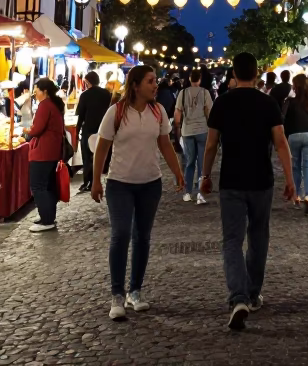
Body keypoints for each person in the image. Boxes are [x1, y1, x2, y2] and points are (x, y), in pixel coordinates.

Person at [201, 52, 296, 331]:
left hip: (231, 179)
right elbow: (280, 142)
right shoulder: (267, 103)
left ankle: (238, 297)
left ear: (233, 73)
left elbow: (210, 144)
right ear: (256, 73)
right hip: (261, 179)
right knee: (258, 236)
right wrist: (289, 179)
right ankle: (253, 294)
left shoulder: (222, 102)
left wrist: (205, 176)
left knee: (231, 240)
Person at [93, 65, 184, 321]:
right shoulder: (117, 112)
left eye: (155, 81)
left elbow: (165, 144)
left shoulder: (158, 111)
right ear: (135, 85)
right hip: (120, 183)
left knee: (142, 237)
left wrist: (177, 172)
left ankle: (135, 291)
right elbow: (102, 146)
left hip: (150, 183)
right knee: (121, 234)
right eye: (150, 81)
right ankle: (117, 295)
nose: (156, 85)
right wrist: (96, 180)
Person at [23, 77, 66, 234]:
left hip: (43, 152)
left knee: (38, 186)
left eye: (37, 91)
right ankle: (47, 217)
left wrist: (27, 132)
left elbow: (37, 129)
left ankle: (47, 220)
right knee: (47, 186)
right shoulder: (54, 104)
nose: (35, 93)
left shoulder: (45, 105)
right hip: (51, 151)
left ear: (44, 91)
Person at [283, 74, 308, 214]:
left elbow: (284, 120)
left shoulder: (290, 101)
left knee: (295, 166)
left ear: (295, 86)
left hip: (294, 135)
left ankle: (296, 195)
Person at [175, 69, 214, 204]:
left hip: (187, 131)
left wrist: (177, 129)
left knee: (190, 162)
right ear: (200, 79)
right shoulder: (205, 93)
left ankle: (187, 192)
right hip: (202, 130)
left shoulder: (183, 93)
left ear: (190, 79)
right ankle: (199, 194)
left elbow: (178, 114)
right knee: (201, 163)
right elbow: (209, 112)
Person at [76, 71, 113, 193]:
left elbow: (80, 115)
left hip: (89, 129)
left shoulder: (85, 95)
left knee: (87, 157)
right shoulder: (107, 94)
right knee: (100, 154)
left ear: (87, 82)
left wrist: (76, 131)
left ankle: (88, 182)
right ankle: (98, 178)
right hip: (103, 129)